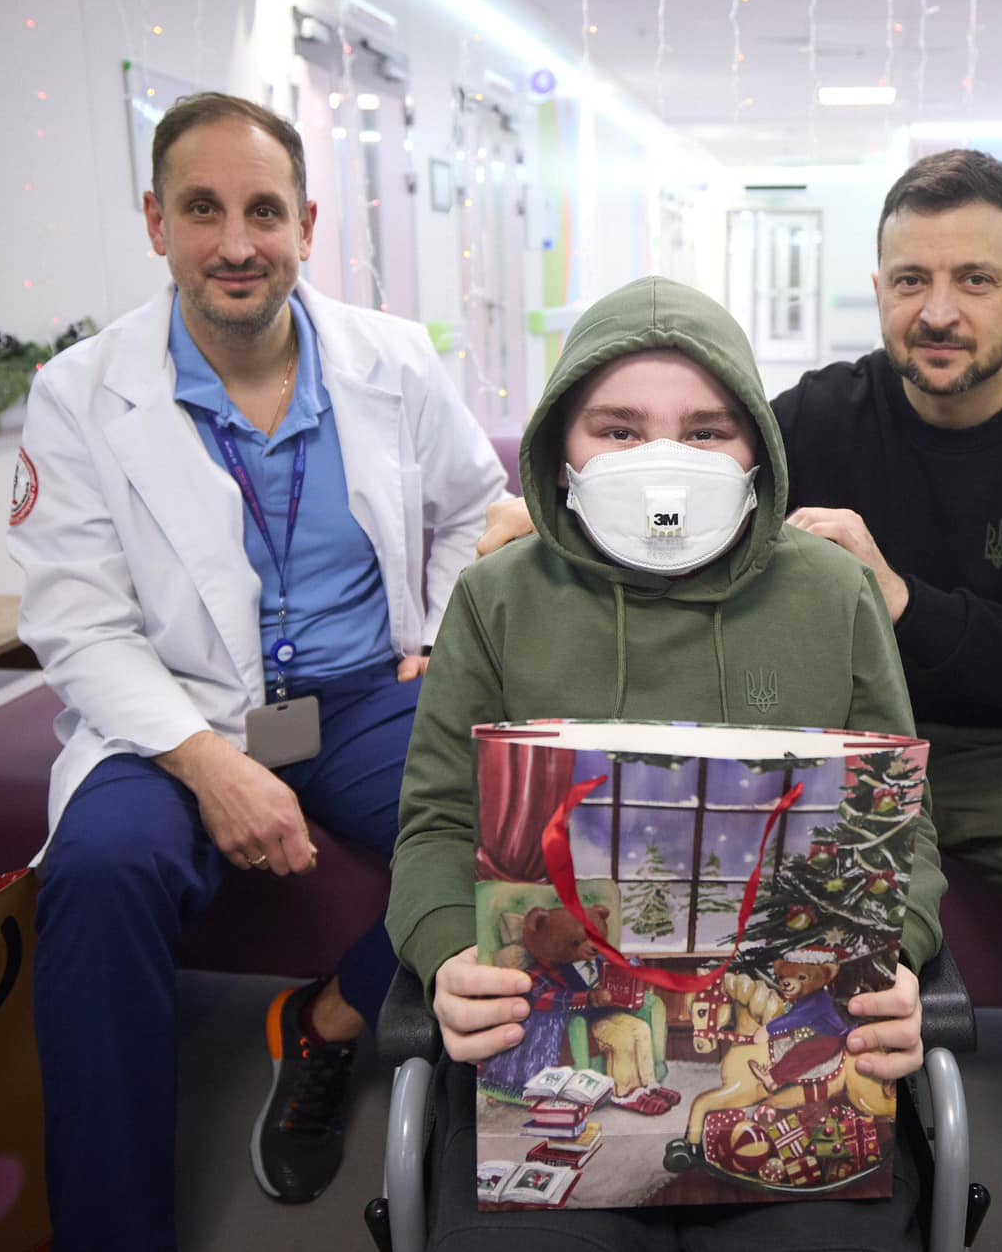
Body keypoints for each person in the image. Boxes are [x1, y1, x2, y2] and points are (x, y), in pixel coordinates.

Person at [479, 151, 1002, 1252]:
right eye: (911, 280)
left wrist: (899, 598)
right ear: (876, 288)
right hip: (822, 740)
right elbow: (693, 471)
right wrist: (555, 511)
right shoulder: (819, 415)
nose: (939, 311)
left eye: (975, 279)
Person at [9, 92, 507, 1249]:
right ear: (156, 223)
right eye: (202, 210)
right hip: (172, 709)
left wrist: (441, 636)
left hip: (363, 691)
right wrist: (207, 763)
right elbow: (77, 622)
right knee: (99, 873)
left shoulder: (389, 359)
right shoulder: (80, 391)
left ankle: (325, 1023)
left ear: (305, 224)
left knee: (516, 834)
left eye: (263, 212)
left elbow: (469, 508)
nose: (236, 243)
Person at [386, 274, 947, 1249]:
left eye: (704, 431)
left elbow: (901, 822)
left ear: (757, 447)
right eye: (617, 429)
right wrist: (450, 958)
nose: (661, 463)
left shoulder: (835, 594)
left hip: (796, 1066)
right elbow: (436, 822)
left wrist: (897, 955)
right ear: (560, 447)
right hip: (545, 1061)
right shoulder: (494, 598)